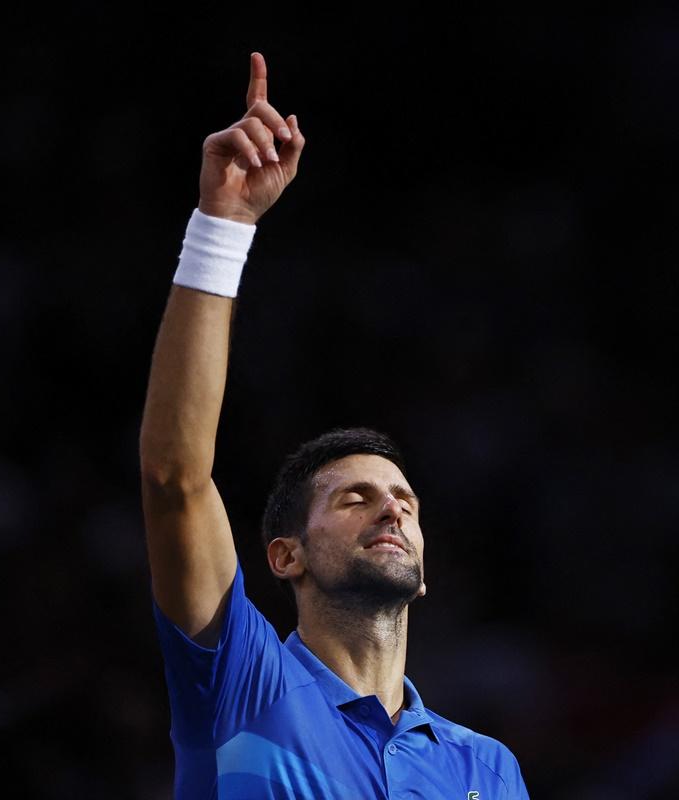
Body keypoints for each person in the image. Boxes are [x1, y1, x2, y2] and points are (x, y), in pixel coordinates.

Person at [139, 52, 530, 799]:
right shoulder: (241, 682)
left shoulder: (488, 769)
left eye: (405, 503)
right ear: (286, 556)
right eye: (354, 498)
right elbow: (174, 478)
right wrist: (222, 225)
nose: (392, 507)